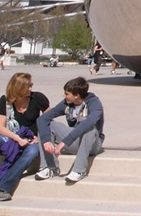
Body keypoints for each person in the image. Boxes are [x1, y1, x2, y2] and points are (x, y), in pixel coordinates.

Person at [36, 77, 104, 184]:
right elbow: (42, 119)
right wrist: (46, 141)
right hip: (75, 142)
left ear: (76, 95)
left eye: (67, 94)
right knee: (48, 125)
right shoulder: (67, 103)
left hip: (93, 144)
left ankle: (79, 171)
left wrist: (64, 142)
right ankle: (50, 168)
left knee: (89, 128)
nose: (64, 96)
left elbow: (89, 122)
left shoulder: (94, 103)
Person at [0, 72, 50, 201]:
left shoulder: (38, 98)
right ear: (18, 88)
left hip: (32, 141)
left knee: (32, 152)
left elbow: (49, 121)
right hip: (11, 138)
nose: (30, 89)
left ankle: (4, 188)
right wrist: (17, 139)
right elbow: (1, 127)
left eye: (31, 85)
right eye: (28, 86)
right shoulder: (5, 101)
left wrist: (40, 137)